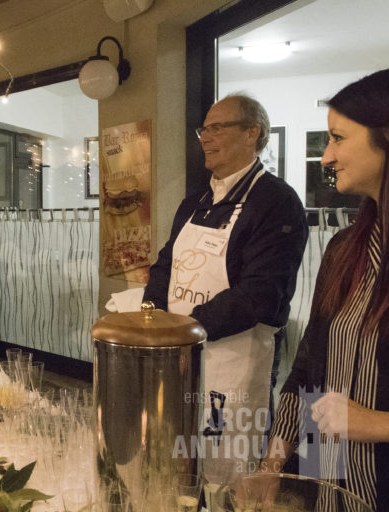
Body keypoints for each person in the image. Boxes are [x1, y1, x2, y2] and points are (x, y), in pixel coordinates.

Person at [142, 94, 308, 480]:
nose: (205, 137)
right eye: (205, 129)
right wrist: (152, 315)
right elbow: (166, 262)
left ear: (253, 133)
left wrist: (184, 329)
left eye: (218, 128)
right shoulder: (195, 201)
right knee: (177, 456)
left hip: (232, 361)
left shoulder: (276, 201)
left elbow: (261, 293)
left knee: (224, 469)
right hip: (178, 353)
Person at [258, 69, 389, 511]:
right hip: (329, 488)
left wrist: (378, 424)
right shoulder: (344, 249)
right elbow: (309, 367)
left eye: (338, 138)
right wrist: (271, 466)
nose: (326, 158)